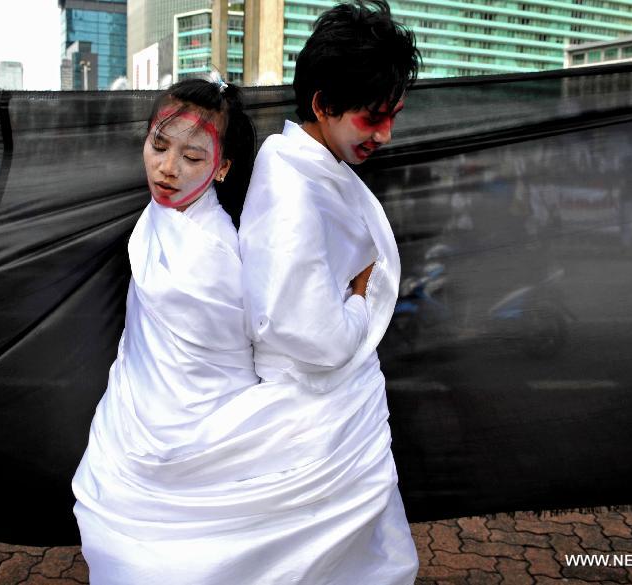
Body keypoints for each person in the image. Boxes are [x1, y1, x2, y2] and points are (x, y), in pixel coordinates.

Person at [238, 1, 421, 583]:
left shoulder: (303, 164)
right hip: (312, 416)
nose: (386, 134)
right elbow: (312, 333)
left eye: (393, 115)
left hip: (323, 411)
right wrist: (361, 297)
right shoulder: (294, 191)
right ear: (322, 104)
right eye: (372, 118)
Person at [71, 77, 262, 583]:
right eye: (158, 145)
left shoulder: (219, 251)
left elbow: (238, 353)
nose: (168, 167)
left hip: (204, 441)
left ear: (222, 168)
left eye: (194, 158)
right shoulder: (161, 212)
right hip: (133, 420)